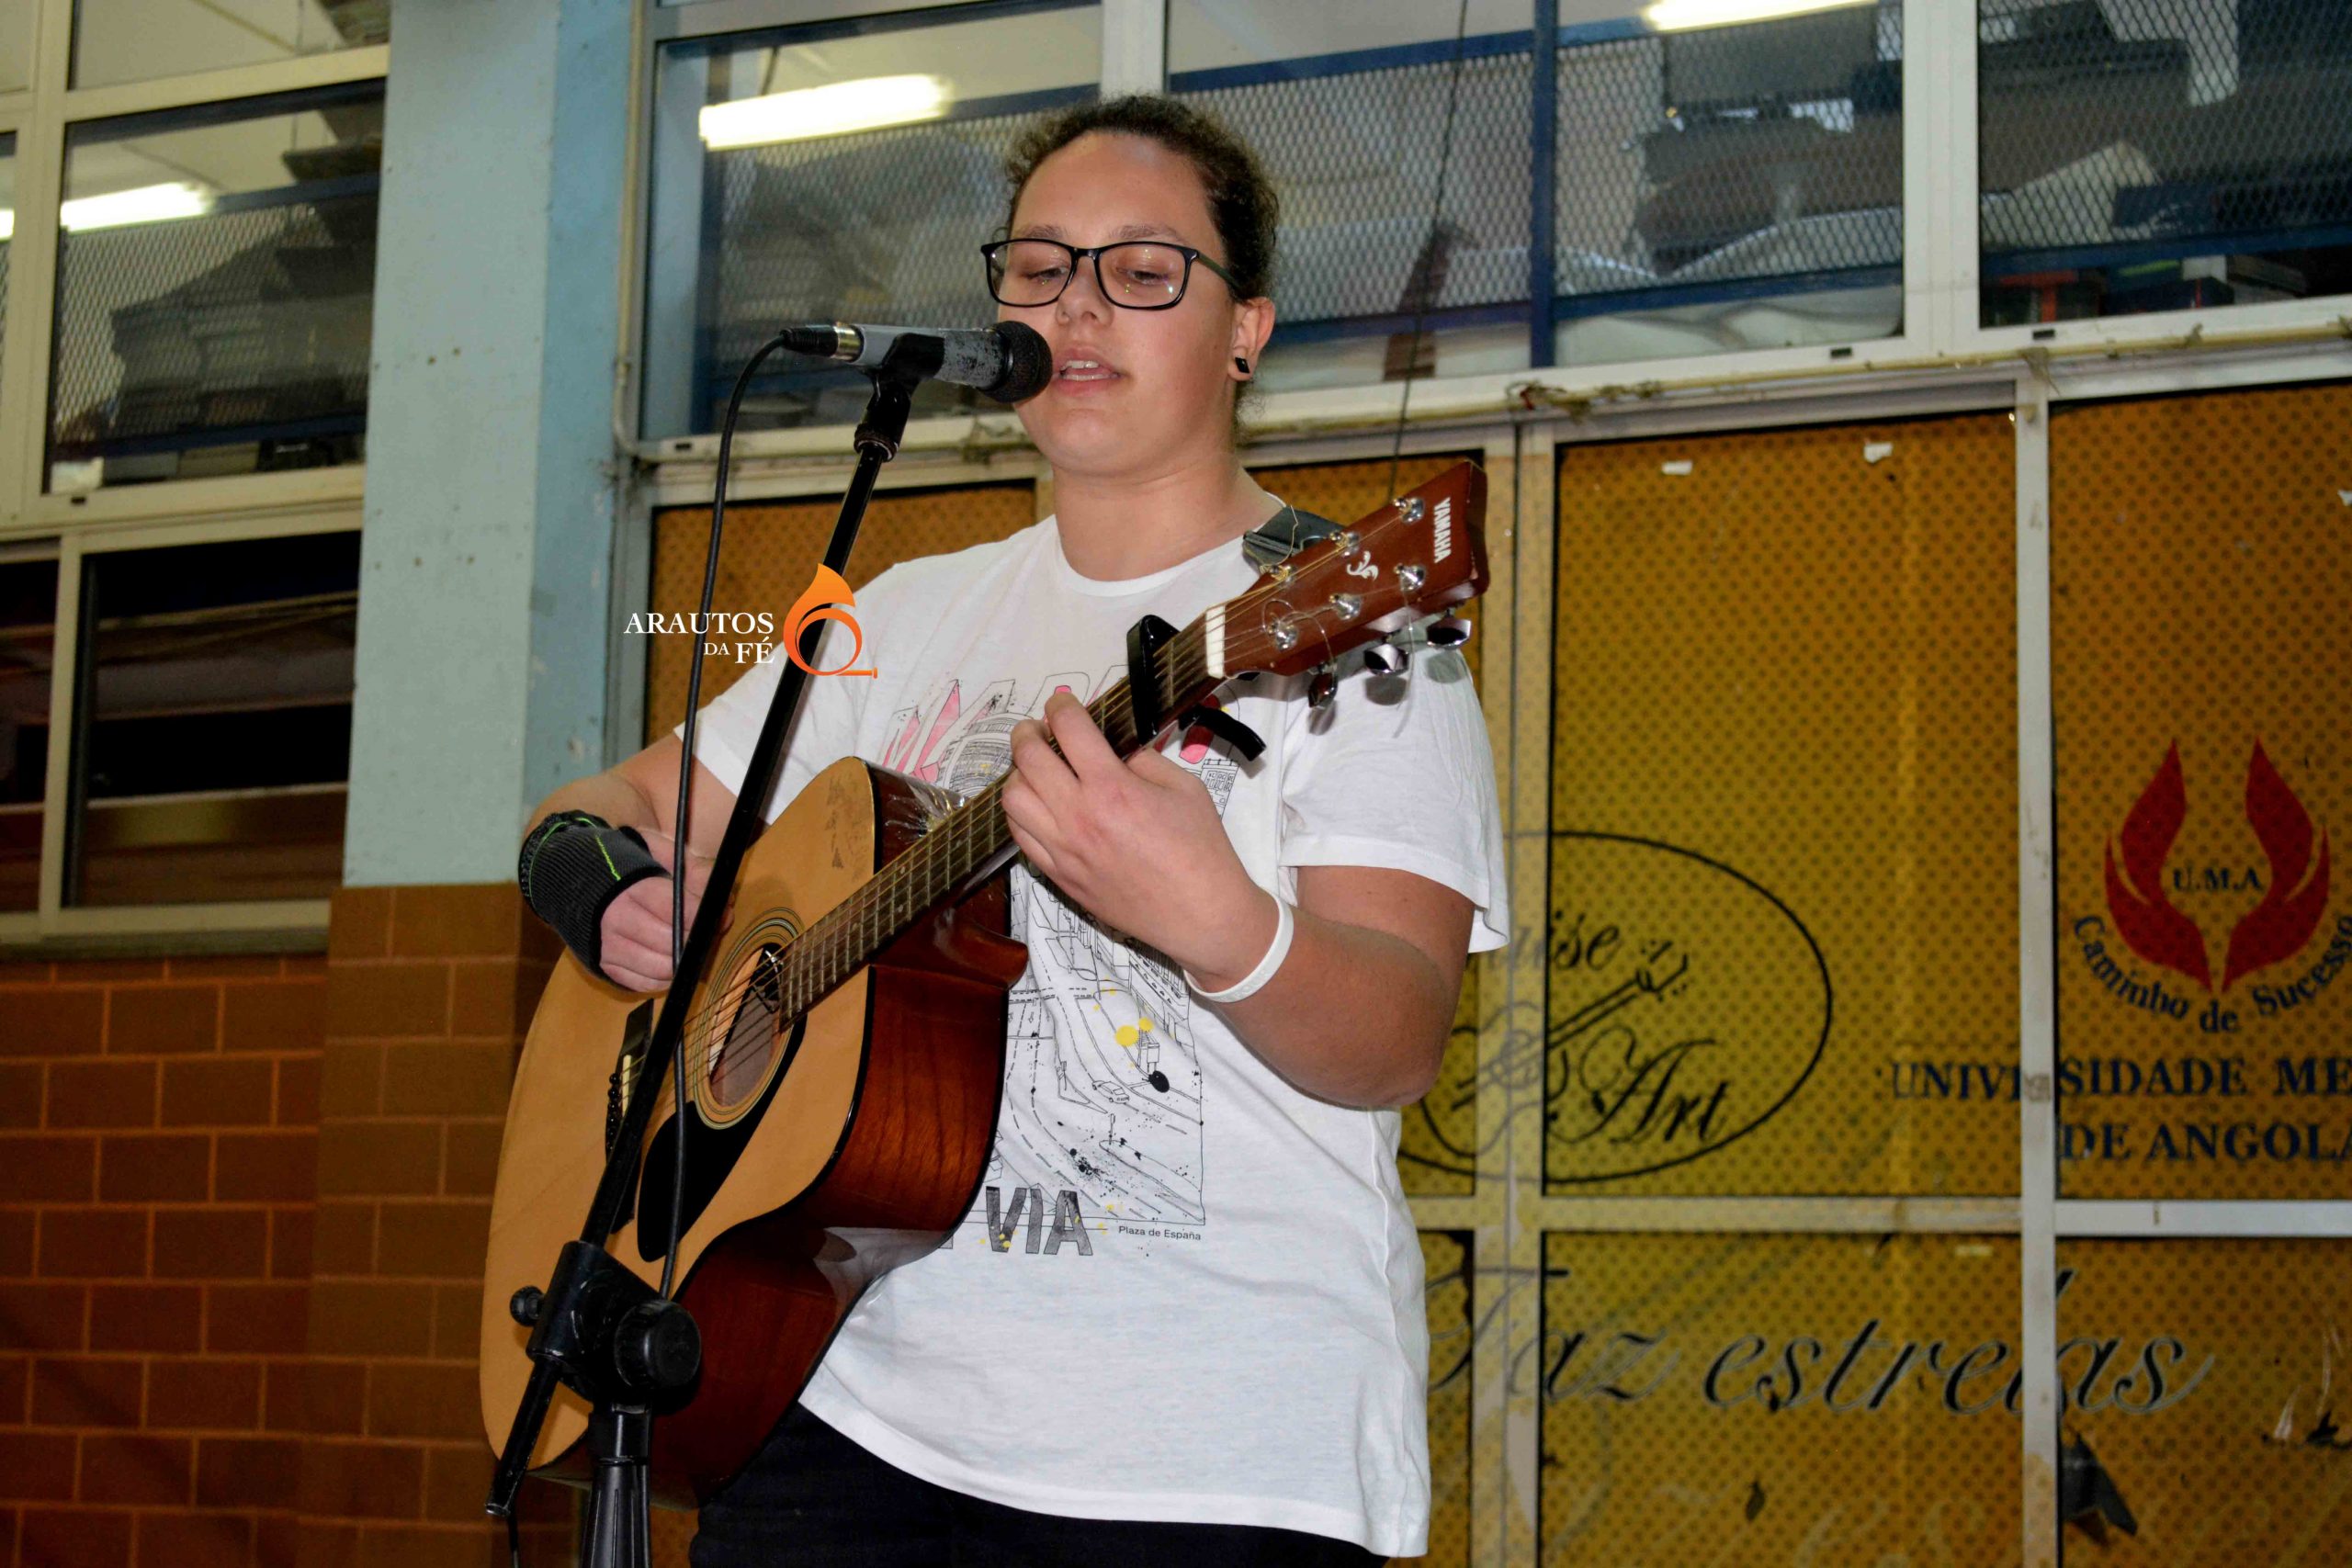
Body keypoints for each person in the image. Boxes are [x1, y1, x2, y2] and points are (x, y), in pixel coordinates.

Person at [516, 94, 1509, 1566]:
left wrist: (1220, 923)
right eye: (1041, 268)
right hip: (836, 1398)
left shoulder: (1355, 622)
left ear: (1249, 327)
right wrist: (604, 890)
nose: (1080, 307)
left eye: (1144, 269)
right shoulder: (901, 613)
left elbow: (1397, 1037)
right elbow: (595, 814)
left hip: (1204, 1462)